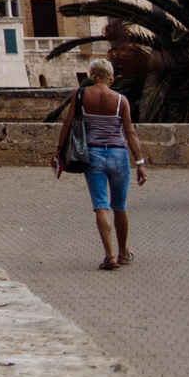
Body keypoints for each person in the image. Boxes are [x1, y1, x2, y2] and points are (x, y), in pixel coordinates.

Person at [56, 56, 147, 267]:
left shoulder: (80, 95)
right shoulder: (121, 100)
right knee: (120, 206)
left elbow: (67, 124)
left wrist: (59, 151)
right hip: (119, 155)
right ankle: (123, 252)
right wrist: (140, 162)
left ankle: (110, 256)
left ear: (91, 75)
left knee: (100, 205)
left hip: (93, 155)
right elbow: (130, 132)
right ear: (111, 77)